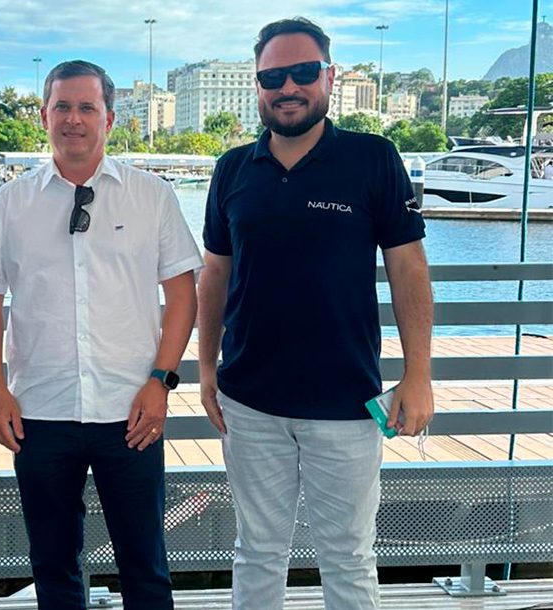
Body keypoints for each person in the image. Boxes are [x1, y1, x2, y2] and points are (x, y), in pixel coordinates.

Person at [197, 18, 434, 610]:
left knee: (348, 557)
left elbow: (409, 270)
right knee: (257, 551)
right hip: (249, 401)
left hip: (347, 403)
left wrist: (419, 375)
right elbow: (214, 275)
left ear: (330, 76)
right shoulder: (232, 169)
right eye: (272, 76)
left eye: (303, 72)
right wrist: (204, 369)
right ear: (258, 85)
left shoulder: (373, 158)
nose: (288, 87)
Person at [0, 60, 202, 610]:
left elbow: (183, 296)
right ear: (44, 116)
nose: (73, 119)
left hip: (131, 410)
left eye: (86, 107)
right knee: (54, 565)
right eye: (61, 107)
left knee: (145, 563)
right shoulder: (9, 203)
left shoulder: (151, 196)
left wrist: (161, 381)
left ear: (109, 119)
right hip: (39, 411)